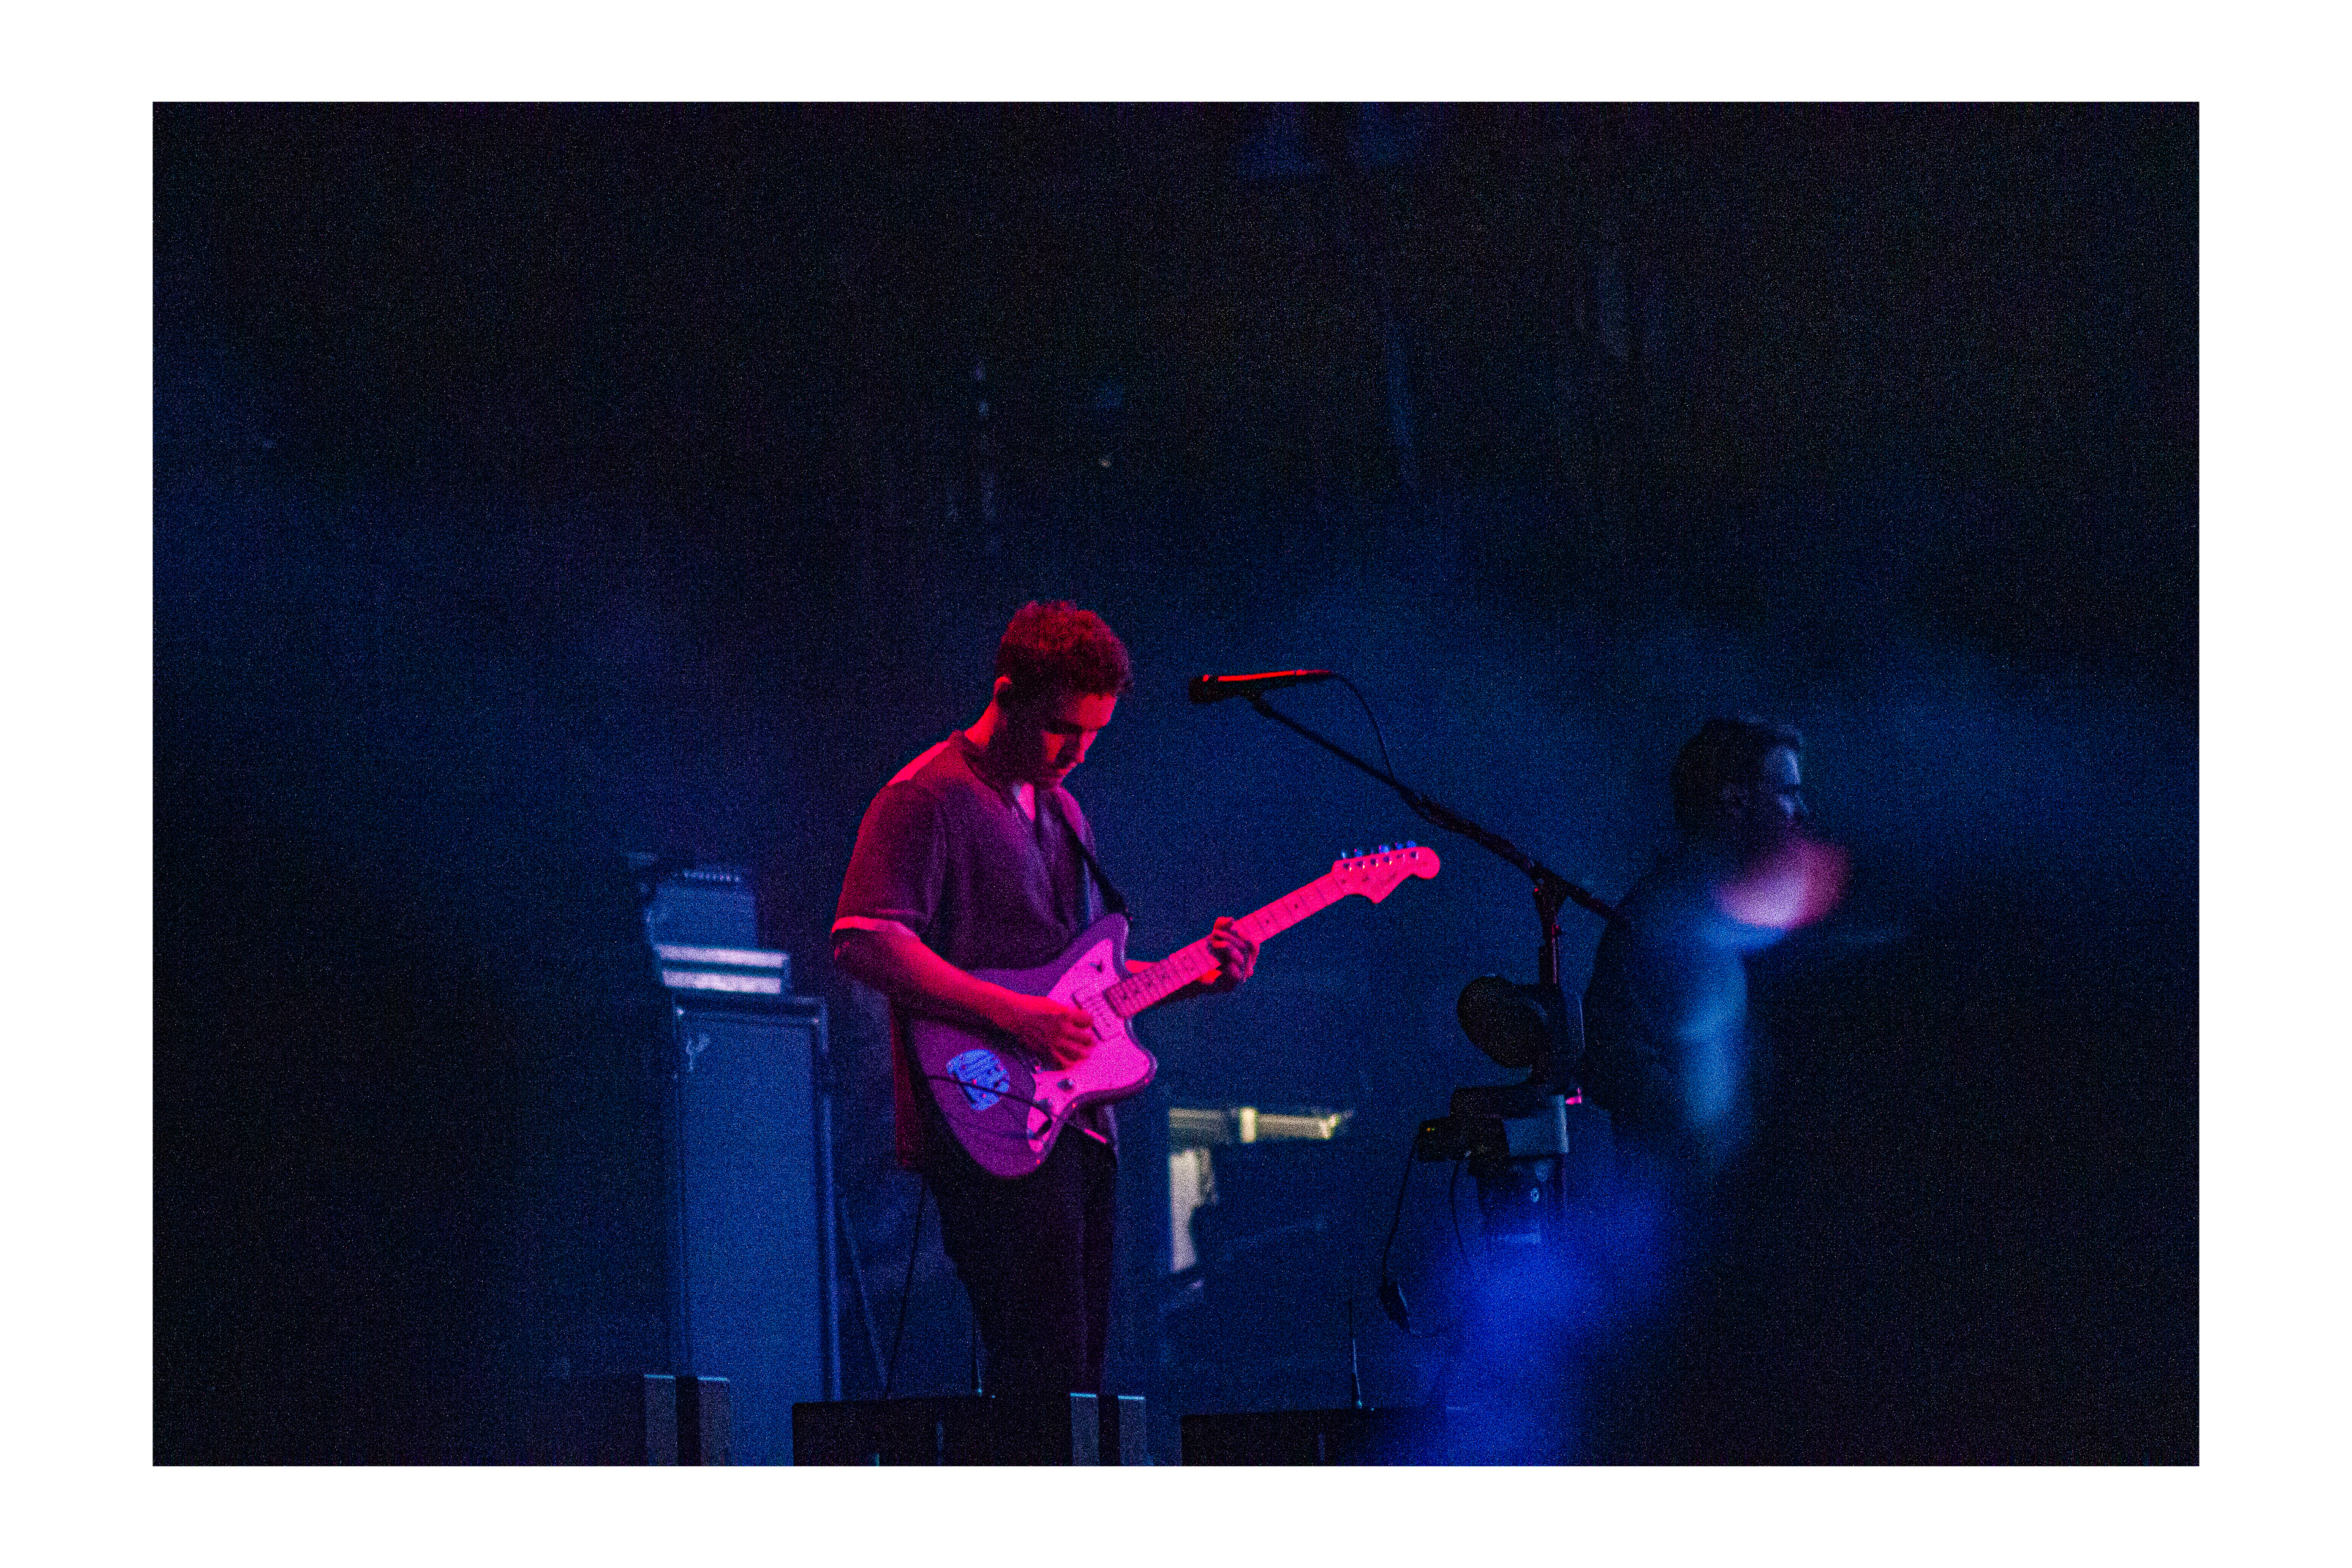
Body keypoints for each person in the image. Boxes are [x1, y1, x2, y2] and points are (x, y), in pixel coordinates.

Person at [832, 601, 1257, 1411]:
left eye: (1096, 733)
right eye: (1064, 728)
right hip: (986, 1113)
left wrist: (1198, 975)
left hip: (1076, 1125)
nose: (1079, 752)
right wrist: (1012, 1017)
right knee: (1042, 1374)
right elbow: (862, 939)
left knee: (1079, 1385)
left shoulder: (1063, 810)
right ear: (1007, 692)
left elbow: (1083, 983)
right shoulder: (926, 797)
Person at [1580, 716, 1845, 1200]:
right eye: (1786, 792)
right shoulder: (1657, 918)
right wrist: (1718, 1141)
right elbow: (1609, 1060)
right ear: (1735, 800)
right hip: (1688, 1224)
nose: (1800, 810)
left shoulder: (1763, 915)